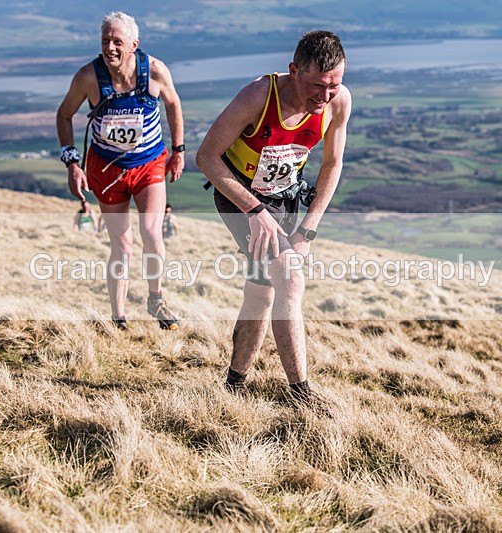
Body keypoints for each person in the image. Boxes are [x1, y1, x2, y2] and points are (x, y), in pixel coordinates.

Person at [196, 31, 352, 417]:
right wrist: (254, 212)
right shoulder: (256, 97)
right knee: (289, 277)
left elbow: (332, 165)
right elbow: (207, 158)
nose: (325, 96)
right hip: (238, 196)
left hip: (285, 198)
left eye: (334, 84)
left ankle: (234, 384)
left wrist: (308, 230)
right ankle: (301, 393)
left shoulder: (338, 102)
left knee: (261, 294)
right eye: (317, 85)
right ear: (293, 71)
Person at [56, 11, 185, 330]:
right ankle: (118, 317)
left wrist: (179, 151)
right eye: (105, 41)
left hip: (148, 164)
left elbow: (173, 104)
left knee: (152, 233)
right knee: (122, 244)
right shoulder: (88, 76)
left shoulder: (154, 70)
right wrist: (72, 162)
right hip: (107, 168)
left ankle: (156, 299)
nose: (109, 48)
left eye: (117, 42)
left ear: (134, 45)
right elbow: (64, 115)